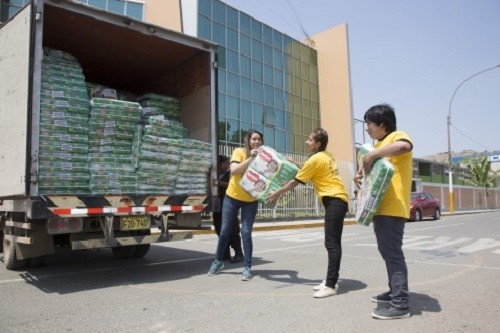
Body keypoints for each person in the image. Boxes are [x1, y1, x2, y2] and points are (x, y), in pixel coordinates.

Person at [267, 128, 348, 298]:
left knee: (332, 243)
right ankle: (329, 280)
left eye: (310, 140)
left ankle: (331, 285)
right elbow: (309, 172)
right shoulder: (327, 155)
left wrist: (276, 193)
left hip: (334, 200)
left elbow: (294, 182)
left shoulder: (315, 159)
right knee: (333, 242)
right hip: (338, 199)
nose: (307, 142)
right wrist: (295, 164)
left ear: (318, 144)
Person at [354, 103, 413, 319]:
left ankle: (400, 304)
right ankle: (393, 292)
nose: (367, 128)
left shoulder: (397, 136)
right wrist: (361, 176)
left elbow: (405, 146)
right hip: (381, 207)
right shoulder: (377, 145)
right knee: (387, 252)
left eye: (369, 123)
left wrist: (373, 155)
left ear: (381, 124)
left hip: (393, 207)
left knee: (393, 253)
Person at [207, 130, 264, 281]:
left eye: (259, 140)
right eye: (254, 139)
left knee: (246, 233)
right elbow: (234, 170)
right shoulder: (239, 152)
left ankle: (247, 268)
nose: (256, 142)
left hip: (250, 201)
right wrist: (251, 158)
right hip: (232, 198)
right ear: (248, 140)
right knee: (224, 231)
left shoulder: (263, 159)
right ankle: (218, 261)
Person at [212, 154, 243, 263]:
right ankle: (225, 253)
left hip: (230, 204)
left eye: (227, 163)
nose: (226, 165)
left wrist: (218, 183)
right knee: (219, 228)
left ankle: (239, 253)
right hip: (219, 205)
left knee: (233, 229)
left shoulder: (231, 173)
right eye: (224, 163)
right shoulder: (218, 174)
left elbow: (231, 184)